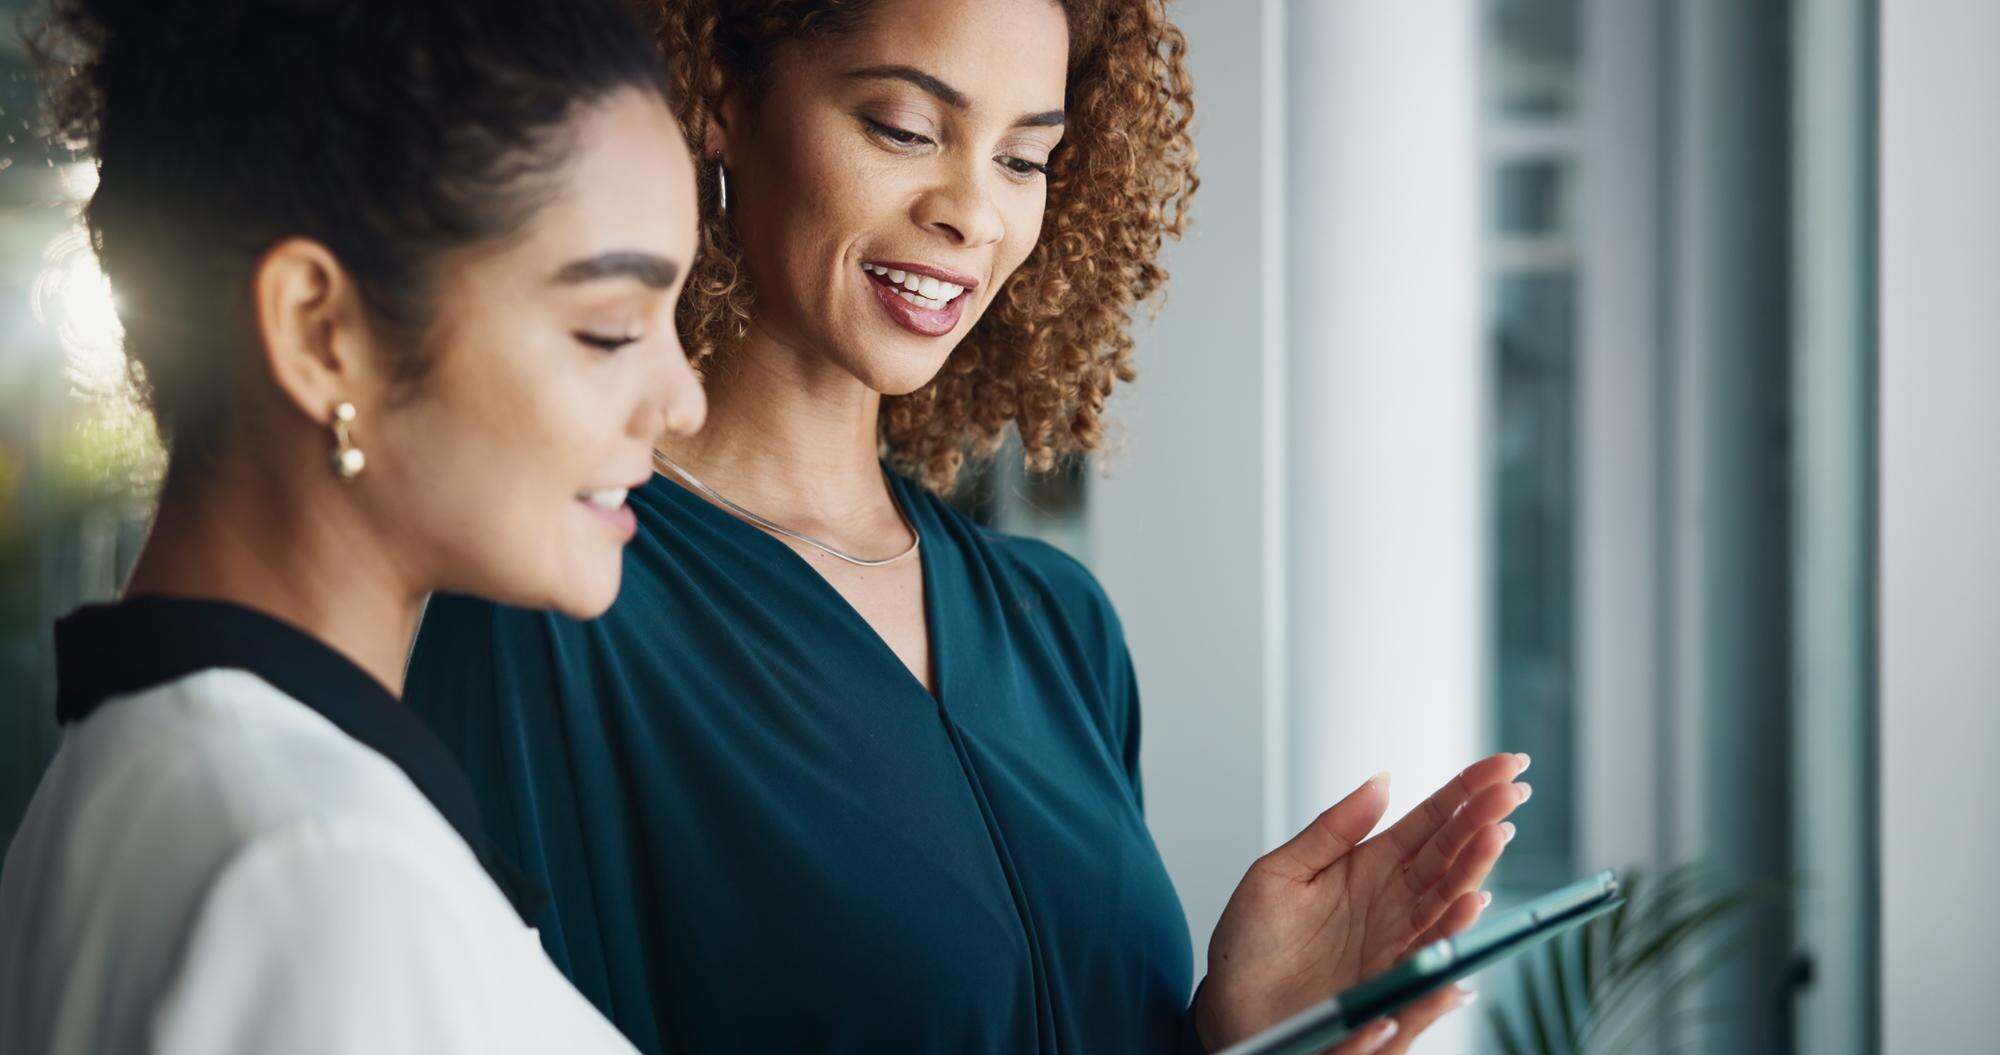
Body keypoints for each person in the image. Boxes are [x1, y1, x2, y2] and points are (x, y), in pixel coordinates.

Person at [408, 1, 1530, 1052]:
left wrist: (1230, 1032)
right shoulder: (551, 591)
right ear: (719, 97)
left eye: (1023, 158)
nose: (972, 211)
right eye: (902, 127)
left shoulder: (1056, 626)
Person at [0, 1, 706, 1052]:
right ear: (320, 332)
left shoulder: (148, 778)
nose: (681, 398)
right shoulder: (318, 867)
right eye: (607, 328)